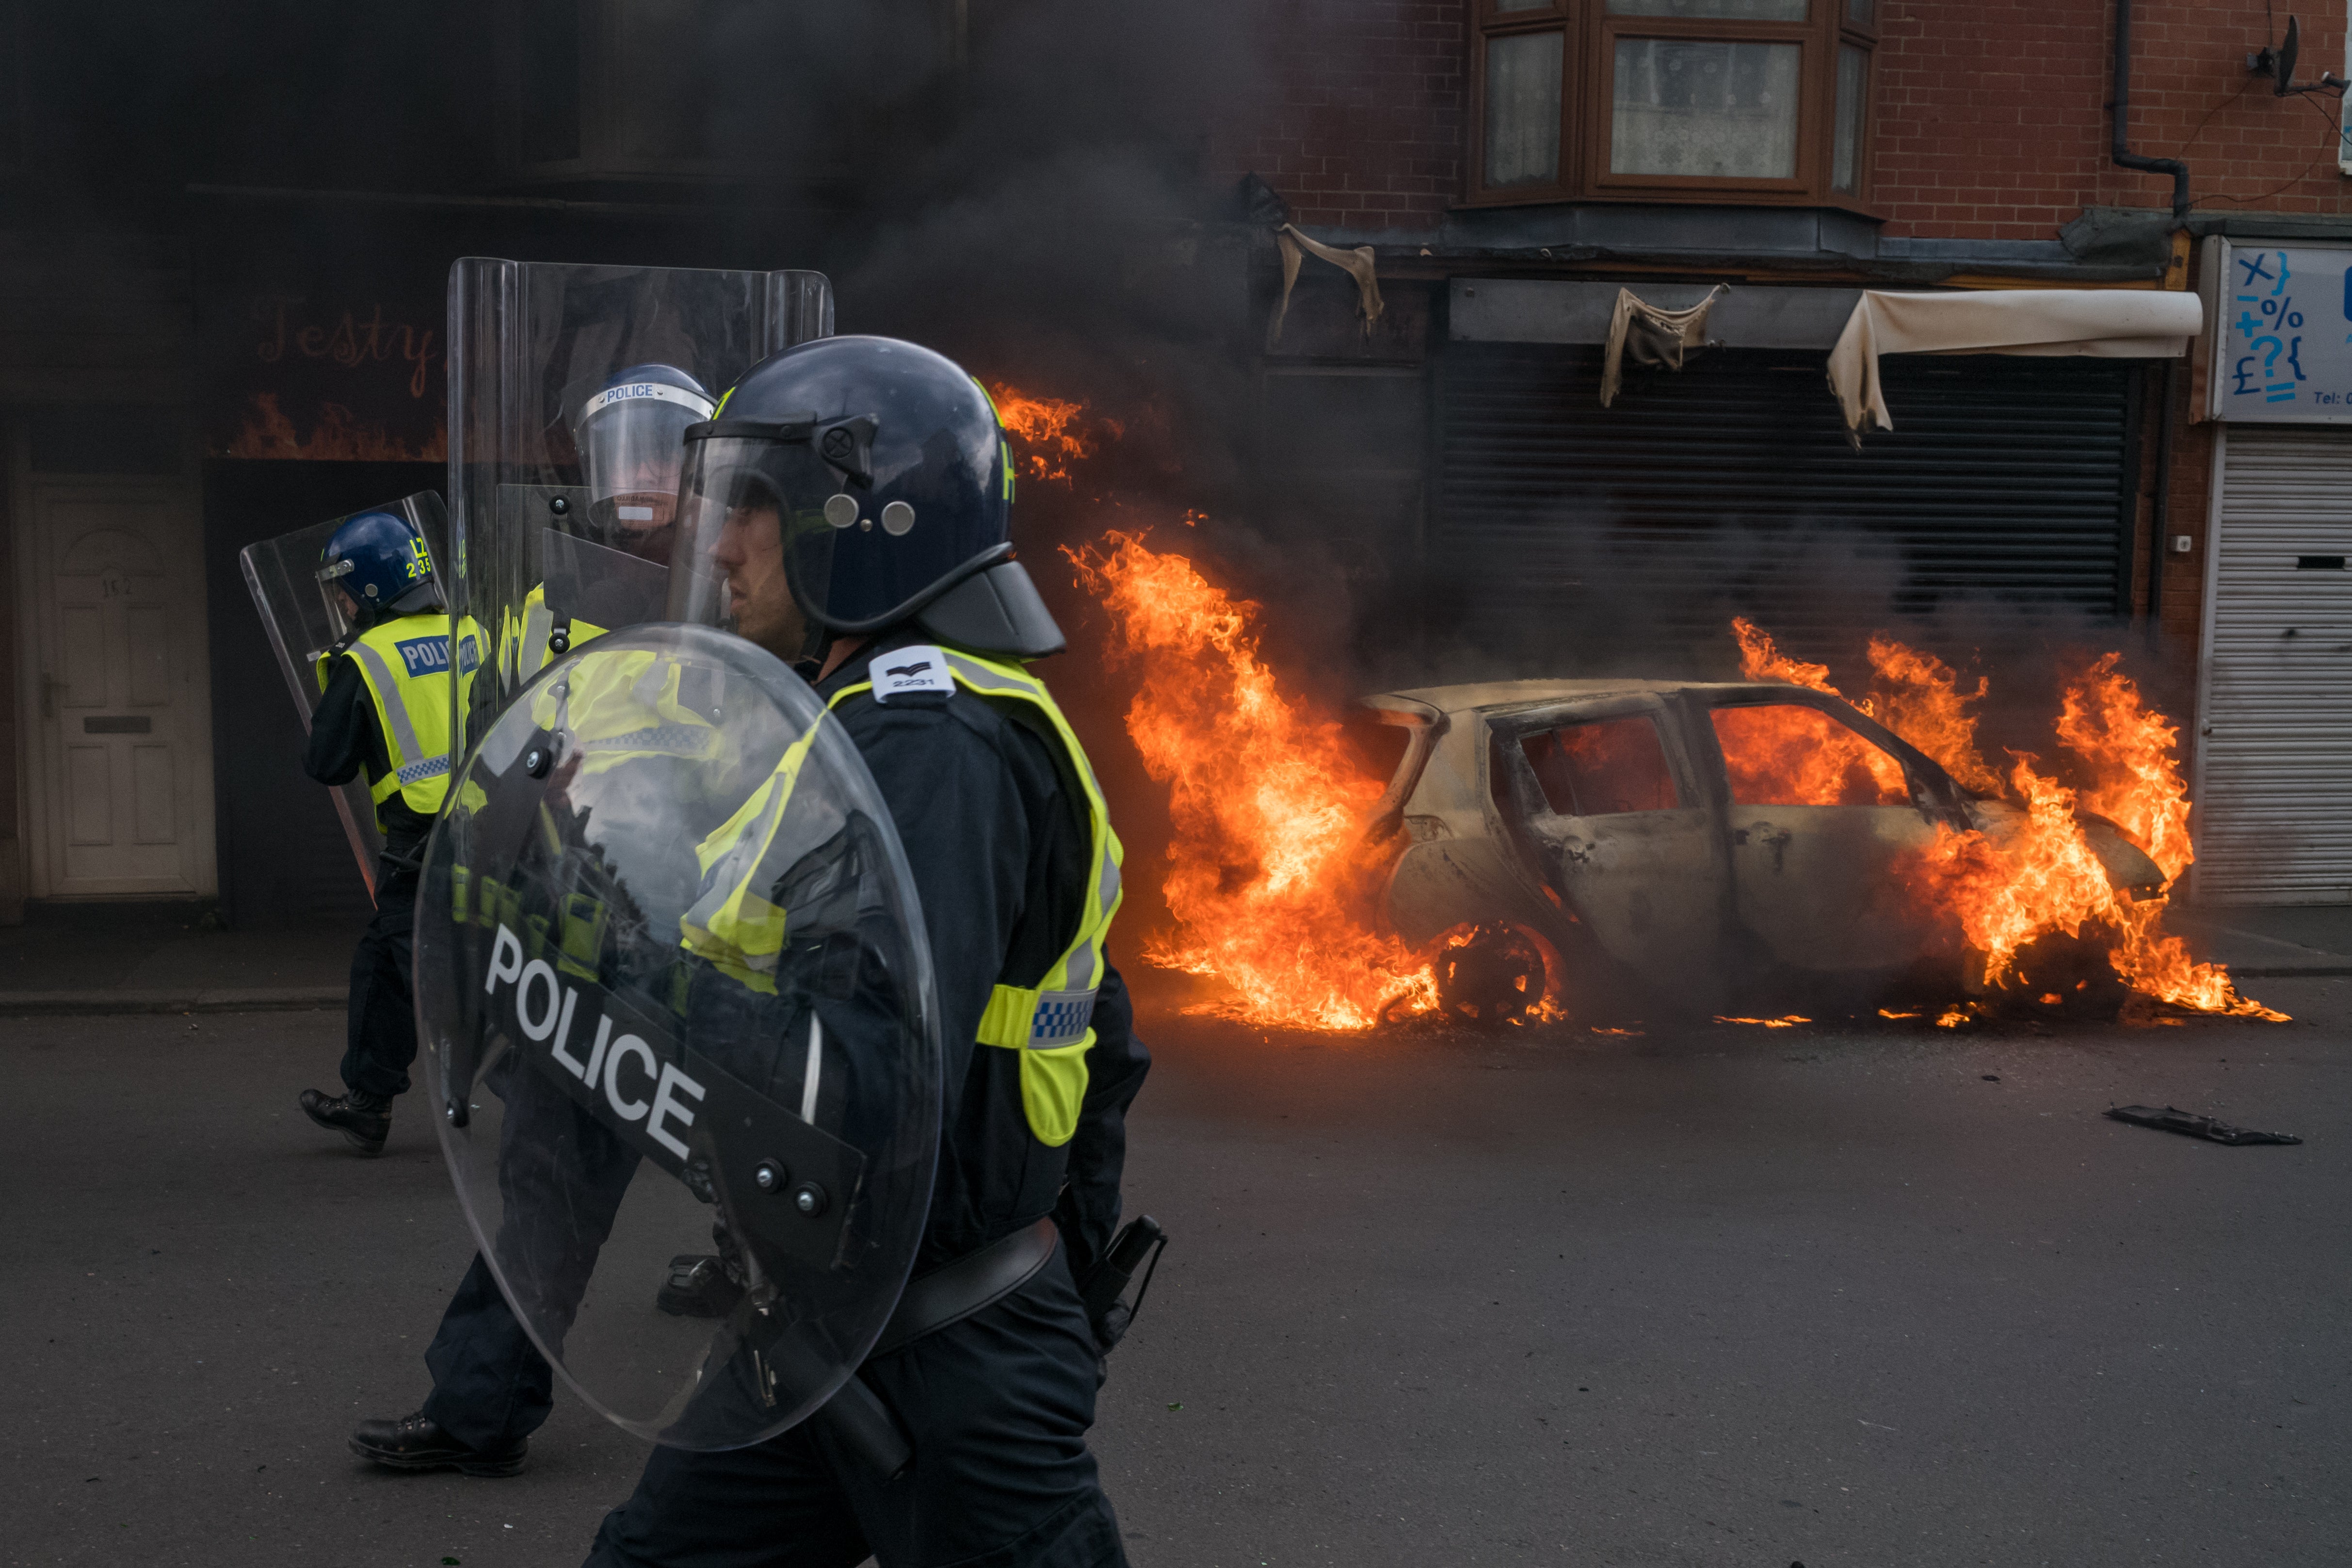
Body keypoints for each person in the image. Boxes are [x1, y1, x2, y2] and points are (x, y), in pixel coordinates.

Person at [585, 335, 1150, 1567]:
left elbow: (864, 1087)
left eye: (754, 508)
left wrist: (615, 973)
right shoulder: (860, 719)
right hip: (829, 1316)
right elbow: (1099, 1038)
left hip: (948, 1351)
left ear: (869, 523)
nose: (720, 544)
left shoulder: (928, 742)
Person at [349, 363, 721, 1480]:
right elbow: (513, 751)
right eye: (628, 452)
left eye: (667, 453)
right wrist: (487, 882)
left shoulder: (738, 599)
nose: (644, 476)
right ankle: (480, 1404)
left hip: (718, 942)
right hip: (593, 939)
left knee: (773, 1173)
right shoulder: (543, 606)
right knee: (549, 1174)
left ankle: (841, 1370)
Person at [297, 510, 461, 1157]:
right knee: (382, 969)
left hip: (417, 847)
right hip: (487, 829)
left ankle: (569, 1103)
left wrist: (336, 679)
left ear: (368, 589)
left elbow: (327, 763)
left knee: (445, 988)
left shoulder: (366, 657)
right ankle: (369, 1100)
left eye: (343, 589)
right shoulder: (469, 628)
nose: (339, 602)